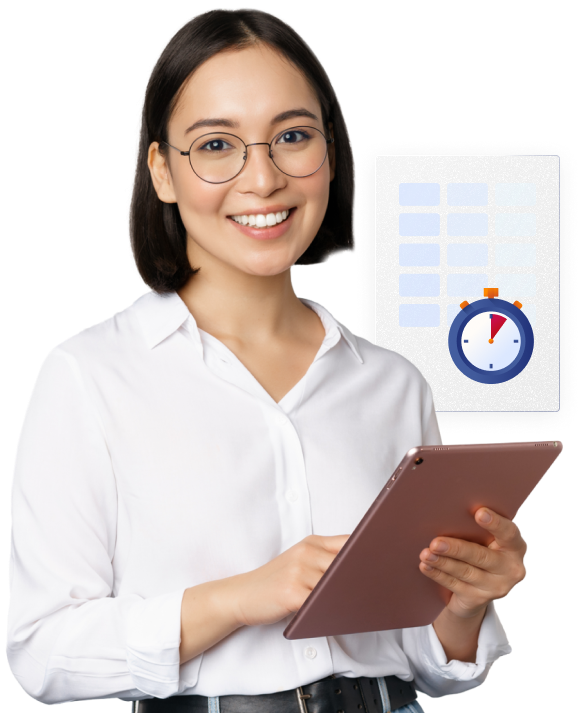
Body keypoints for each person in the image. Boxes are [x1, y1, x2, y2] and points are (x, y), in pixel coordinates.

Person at [7, 8, 527, 712]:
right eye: (217, 144)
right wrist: (240, 596)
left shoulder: (392, 384)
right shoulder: (89, 376)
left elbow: (431, 663)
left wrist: (464, 602)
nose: (263, 178)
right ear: (161, 169)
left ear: (330, 153)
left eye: (292, 136)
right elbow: (42, 654)